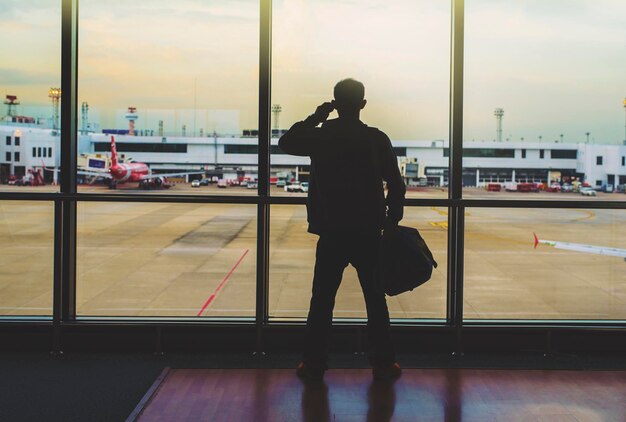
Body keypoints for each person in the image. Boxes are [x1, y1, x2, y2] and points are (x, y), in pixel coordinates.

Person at [278, 78, 406, 381]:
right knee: (376, 300)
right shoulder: (376, 139)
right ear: (363, 104)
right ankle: (384, 363)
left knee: (321, 300)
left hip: (332, 231)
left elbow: (286, 141)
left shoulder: (322, 137)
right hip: (368, 232)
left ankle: (313, 364)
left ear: (335, 103)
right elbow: (397, 184)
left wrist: (318, 116)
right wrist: (392, 220)